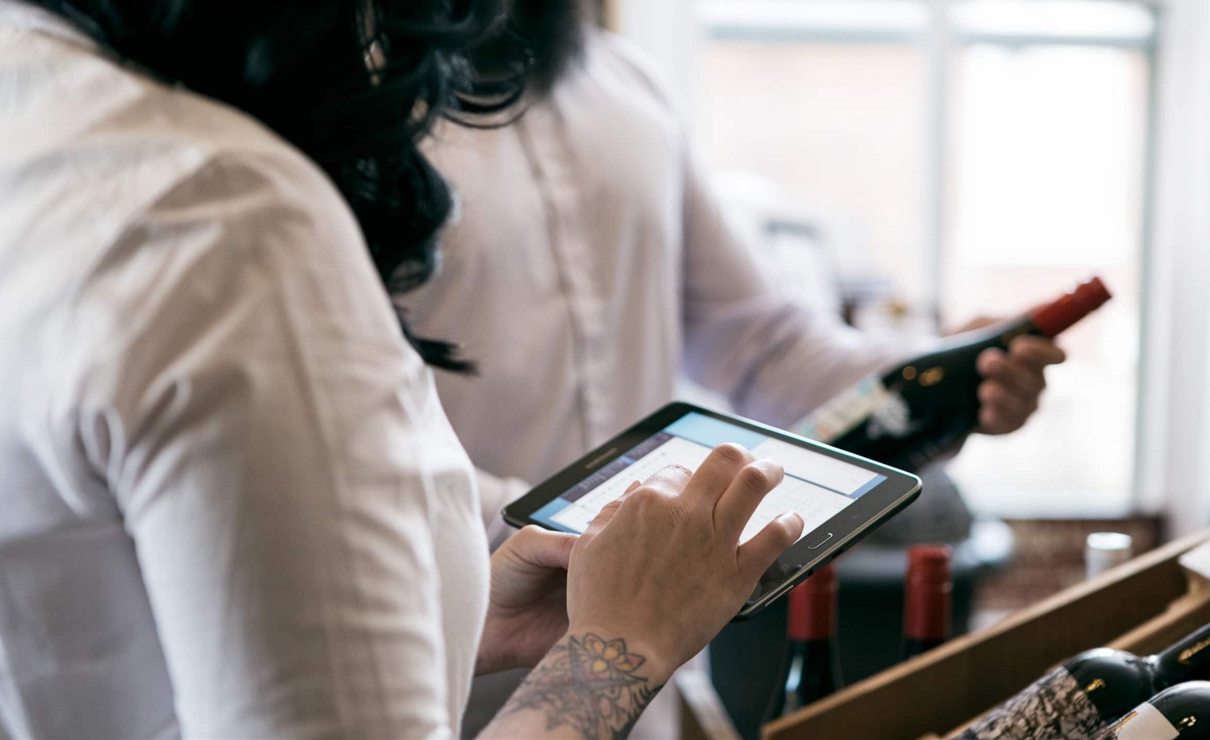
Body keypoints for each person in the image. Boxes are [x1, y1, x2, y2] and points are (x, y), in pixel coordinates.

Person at [0, 1, 806, 737]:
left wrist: (459, 617)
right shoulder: (230, 224)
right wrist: (620, 646)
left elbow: (121, 627)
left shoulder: (33, 97)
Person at [407, 1, 1066, 734]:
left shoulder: (627, 85)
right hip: (445, 665)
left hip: (641, 669)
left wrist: (932, 379)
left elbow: (759, 341)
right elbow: (352, 444)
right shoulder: (350, 121)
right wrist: (611, 541)